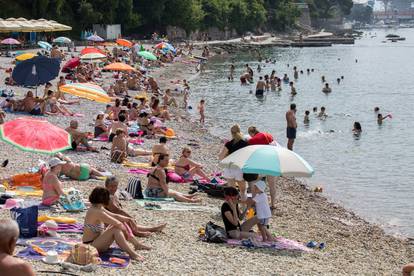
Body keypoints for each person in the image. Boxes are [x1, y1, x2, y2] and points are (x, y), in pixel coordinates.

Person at [82, 187, 149, 261]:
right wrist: (127, 232)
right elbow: (118, 223)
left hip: (97, 240)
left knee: (118, 225)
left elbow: (115, 216)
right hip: (90, 245)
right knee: (116, 229)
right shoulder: (96, 211)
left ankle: (136, 244)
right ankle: (132, 254)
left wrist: (129, 219)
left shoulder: (97, 207)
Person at [218, 125, 248, 199]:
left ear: (231, 133)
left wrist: (226, 158)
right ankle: (244, 208)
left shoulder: (229, 143)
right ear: (240, 131)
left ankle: (234, 208)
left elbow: (220, 157)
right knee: (243, 191)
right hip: (238, 168)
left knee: (232, 191)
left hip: (229, 168)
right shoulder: (244, 143)